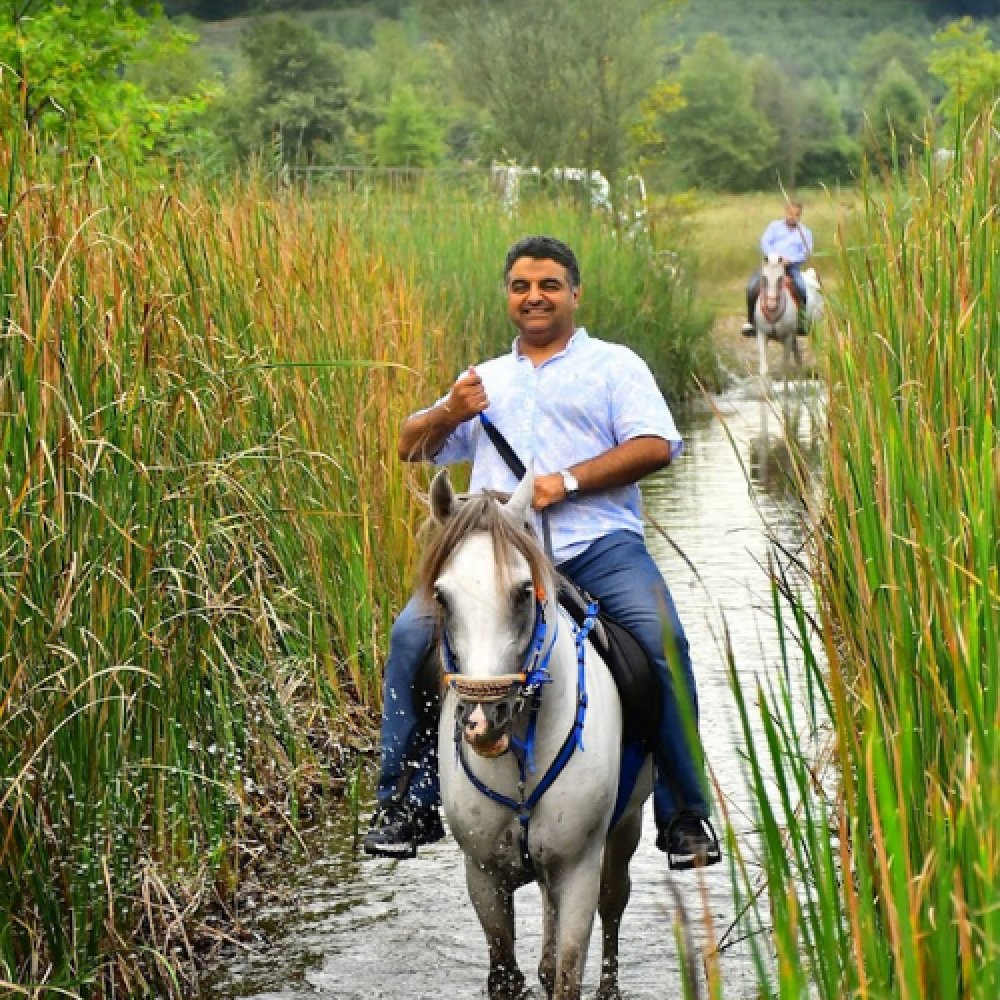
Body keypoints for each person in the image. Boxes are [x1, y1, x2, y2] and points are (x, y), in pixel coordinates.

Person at [363, 235, 721, 871]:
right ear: (508, 296)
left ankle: (684, 814)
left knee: (662, 639)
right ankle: (404, 802)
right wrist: (450, 410)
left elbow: (657, 445)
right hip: (497, 561)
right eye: (522, 286)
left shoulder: (615, 366)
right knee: (409, 639)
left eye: (549, 285)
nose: (535, 297)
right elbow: (409, 447)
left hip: (597, 546)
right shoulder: (482, 380)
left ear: (574, 294)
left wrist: (568, 481)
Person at [741, 200, 814, 336]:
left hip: (790, 267)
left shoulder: (805, 232)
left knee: (802, 288)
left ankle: (802, 322)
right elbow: (765, 242)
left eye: (797, 215)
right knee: (751, 286)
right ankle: (751, 322)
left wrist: (790, 260)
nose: (793, 217)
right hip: (771, 265)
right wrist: (774, 256)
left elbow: (806, 252)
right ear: (785, 212)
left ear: (800, 215)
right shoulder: (774, 226)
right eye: (791, 214)